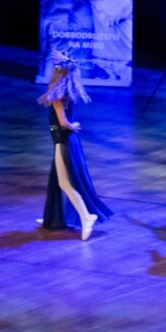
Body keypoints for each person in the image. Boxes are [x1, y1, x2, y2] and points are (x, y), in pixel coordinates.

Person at [38, 53, 112, 240]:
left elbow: (63, 122)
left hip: (62, 141)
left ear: (58, 72)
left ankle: (86, 217)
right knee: (56, 180)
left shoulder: (56, 92)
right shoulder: (65, 90)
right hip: (65, 140)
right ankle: (52, 218)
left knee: (64, 183)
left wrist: (72, 125)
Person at [36, 0, 94, 83]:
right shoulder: (45, 9)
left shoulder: (88, 3)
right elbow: (42, 52)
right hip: (54, 77)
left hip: (85, 77)